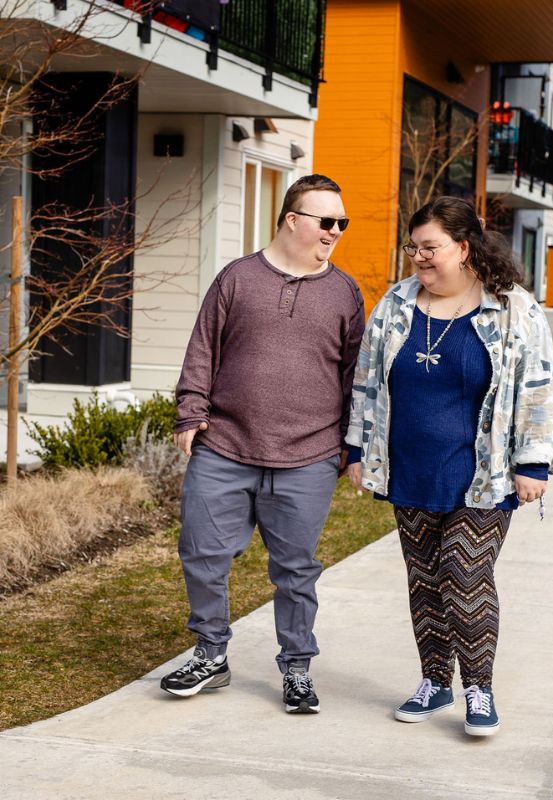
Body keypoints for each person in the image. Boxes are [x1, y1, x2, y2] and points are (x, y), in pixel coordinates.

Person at [346, 196, 553, 737]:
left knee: (463, 576)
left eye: (430, 247)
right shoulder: (395, 304)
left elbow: (537, 389)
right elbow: (367, 381)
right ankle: (435, 681)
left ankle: (479, 690)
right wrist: (356, 449)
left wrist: (533, 461)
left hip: (481, 472)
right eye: (413, 247)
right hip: (411, 468)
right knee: (424, 581)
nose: (418, 257)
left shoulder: (513, 309)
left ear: (464, 249)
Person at [161, 174, 365, 714]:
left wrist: (352, 445)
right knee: (202, 555)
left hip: (308, 456)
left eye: (342, 222)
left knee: (296, 570)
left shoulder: (344, 292)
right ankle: (211, 654)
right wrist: (190, 412)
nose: (336, 231)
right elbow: (202, 347)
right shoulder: (237, 278)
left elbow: (353, 374)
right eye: (327, 221)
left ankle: (296, 668)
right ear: (293, 220)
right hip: (224, 446)